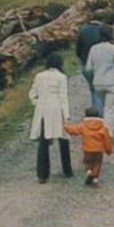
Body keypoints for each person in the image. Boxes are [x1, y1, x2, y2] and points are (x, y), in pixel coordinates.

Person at [27, 53, 73, 183]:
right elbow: (63, 97)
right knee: (63, 138)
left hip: (42, 109)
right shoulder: (61, 77)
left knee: (44, 140)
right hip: (57, 109)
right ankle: (67, 169)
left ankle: (42, 174)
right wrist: (67, 115)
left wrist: (39, 104)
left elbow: (32, 94)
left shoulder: (39, 76)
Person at [83, 25, 114, 132]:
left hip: (98, 83)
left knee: (101, 108)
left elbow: (88, 68)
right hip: (111, 82)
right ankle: (108, 132)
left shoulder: (93, 49)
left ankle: (97, 129)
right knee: (109, 110)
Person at [64, 106, 114, 187]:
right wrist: (109, 150)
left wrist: (65, 126)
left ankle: (89, 172)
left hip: (87, 149)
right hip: (98, 150)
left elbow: (73, 130)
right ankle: (95, 178)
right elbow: (107, 140)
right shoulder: (103, 127)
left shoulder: (83, 125)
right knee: (97, 163)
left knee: (87, 162)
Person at [75, 12, 114, 113]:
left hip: (85, 65)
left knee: (93, 89)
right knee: (100, 90)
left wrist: (83, 59)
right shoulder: (103, 31)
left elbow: (78, 51)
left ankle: (95, 110)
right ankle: (99, 114)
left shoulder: (82, 31)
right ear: (102, 21)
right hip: (101, 66)